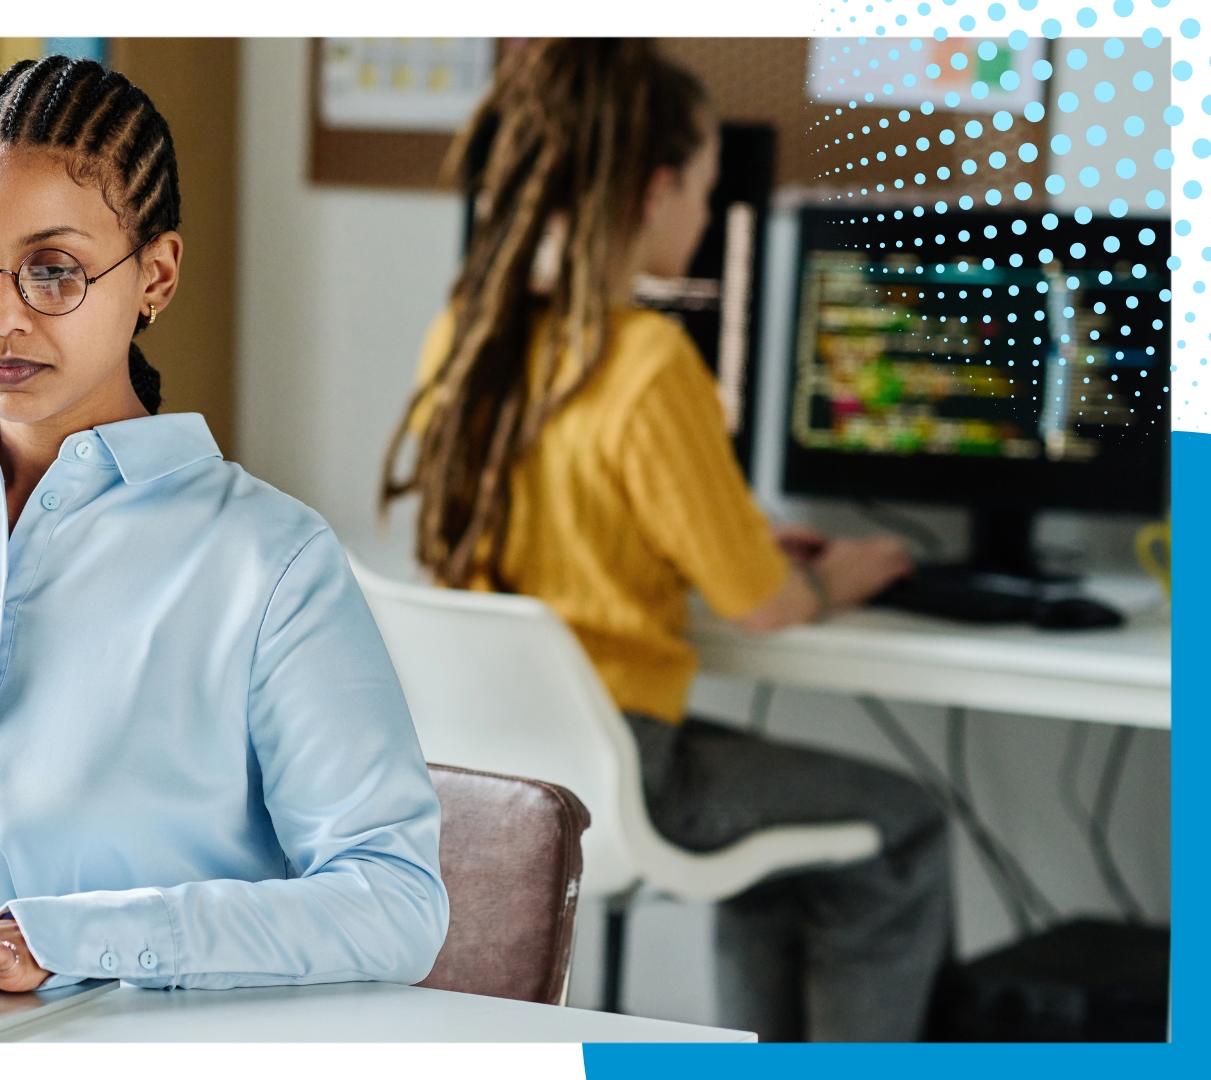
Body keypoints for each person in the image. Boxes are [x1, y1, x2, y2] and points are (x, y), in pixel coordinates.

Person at [0, 57, 447, 1002]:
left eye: (52, 271)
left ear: (154, 275)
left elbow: (394, 904)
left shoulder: (269, 564)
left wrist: (71, 938)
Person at [383, 39, 948, 1042]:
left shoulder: (470, 332)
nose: (703, 211)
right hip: (626, 763)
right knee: (904, 828)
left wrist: (729, 537)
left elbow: (587, 519)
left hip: (489, 772)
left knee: (797, 853)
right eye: (702, 186)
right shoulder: (647, 360)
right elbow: (760, 602)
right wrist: (849, 574)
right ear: (653, 191)